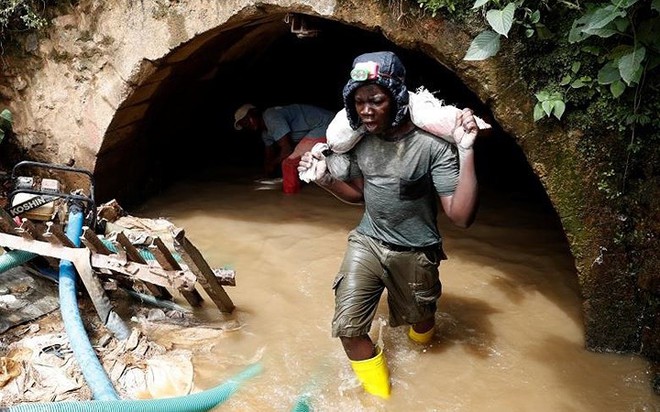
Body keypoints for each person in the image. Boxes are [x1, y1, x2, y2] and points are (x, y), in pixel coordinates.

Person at [297, 51, 483, 399]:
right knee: (348, 328)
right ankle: (383, 401)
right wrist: (324, 179)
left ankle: (424, 354)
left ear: (396, 98)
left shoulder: (432, 147)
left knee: (422, 324)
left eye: (376, 101)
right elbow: (359, 197)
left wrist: (466, 151)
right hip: (367, 241)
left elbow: (461, 217)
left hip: (416, 250)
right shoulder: (360, 141)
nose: (366, 110)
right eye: (359, 102)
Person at [233, 103, 334, 194]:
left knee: (288, 164)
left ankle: (290, 198)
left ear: (254, 113)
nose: (246, 124)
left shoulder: (270, 116)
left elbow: (287, 150)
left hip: (326, 124)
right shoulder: (266, 134)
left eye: (246, 119)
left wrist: (273, 164)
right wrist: (265, 175)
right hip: (316, 129)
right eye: (244, 124)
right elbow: (269, 157)